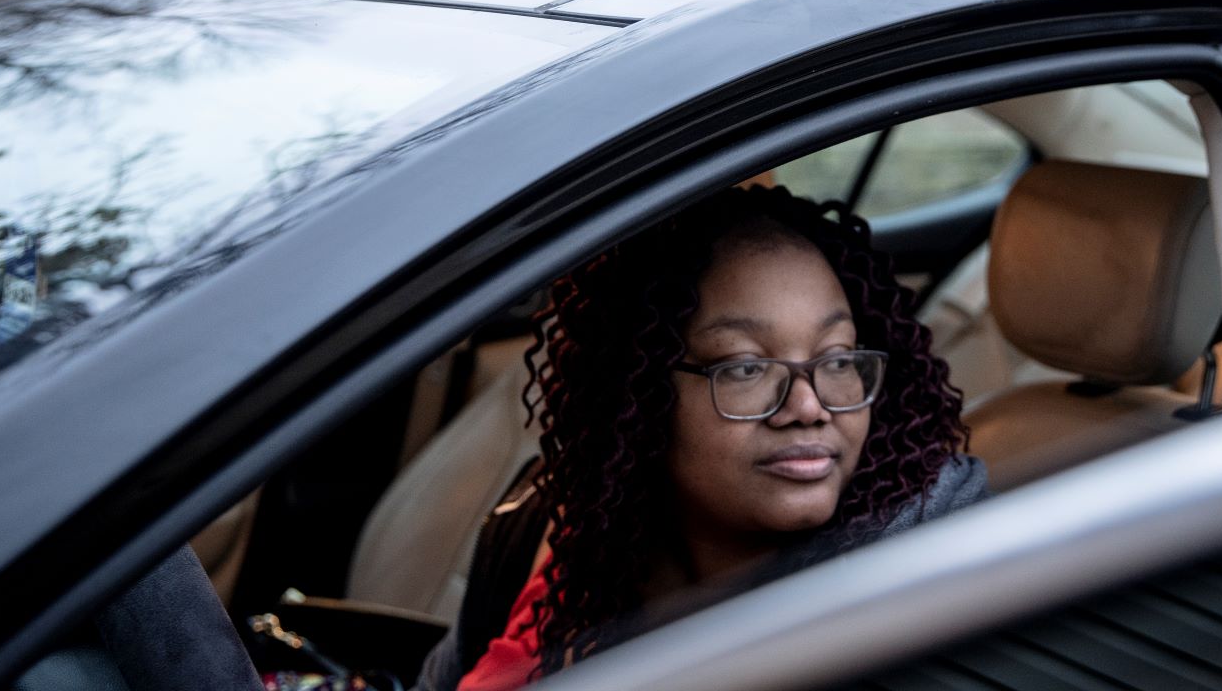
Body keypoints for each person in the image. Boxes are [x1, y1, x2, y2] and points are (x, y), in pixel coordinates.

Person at [418, 184, 985, 690]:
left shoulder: (923, 569)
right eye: (744, 368)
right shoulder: (554, 533)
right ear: (638, 394)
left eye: (837, 360)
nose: (809, 407)